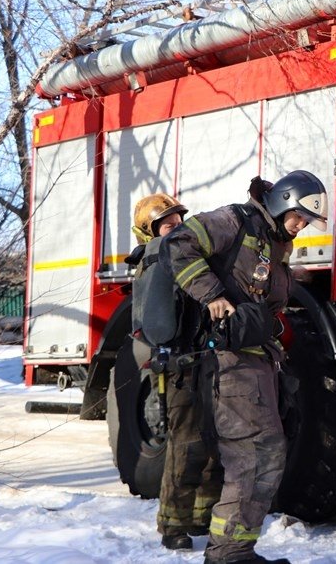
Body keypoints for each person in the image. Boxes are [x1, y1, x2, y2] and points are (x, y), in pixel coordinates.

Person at [164, 171, 328, 564]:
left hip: (256, 361)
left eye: (307, 221)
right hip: (231, 362)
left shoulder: (273, 243)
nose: (302, 226)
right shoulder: (236, 221)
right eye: (299, 217)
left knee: (263, 455)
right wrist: (213, 296)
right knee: (257, 455)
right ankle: (230, 554)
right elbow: (178, 242)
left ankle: (232, 550)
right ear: (284, 201)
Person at [127, 193, 224, 552]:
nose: (176, 228)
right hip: (178, 365)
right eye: (167, 224)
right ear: (148, 231)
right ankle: (172, 525)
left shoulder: (185, 256)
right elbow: (162, 323)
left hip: (202, 360)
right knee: (187, 445)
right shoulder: (158, 261)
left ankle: (202, 515)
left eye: (179, 221)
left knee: (214, 440)